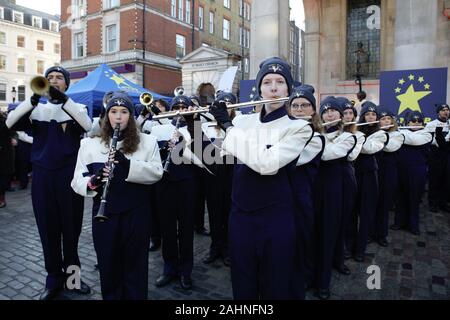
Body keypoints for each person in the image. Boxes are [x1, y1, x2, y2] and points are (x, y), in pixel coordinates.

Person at [209, 57, 314, 300]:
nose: (274, 88)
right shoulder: (243, 121)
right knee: (242, 281)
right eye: (267, 82)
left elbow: (267, 163)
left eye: (280, 82)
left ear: (288, 89)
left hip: (276, 217)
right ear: (260, 88)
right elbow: (220, 156)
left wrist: (228, 127)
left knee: (275, 284)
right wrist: (203, 123)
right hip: (241, 215)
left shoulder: (298, 127)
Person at [6, 66, 92, 299]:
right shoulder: (37, 111)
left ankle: (73, 280)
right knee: (48, 230)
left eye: (59, 78)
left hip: (69, 178)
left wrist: (64, 101)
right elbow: (10, 123)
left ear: (66, 84)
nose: (54, 81)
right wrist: (32, 99)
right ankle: (53, 280)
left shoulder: (77, 108)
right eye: (49, 78)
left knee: (71, 231)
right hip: (43, 178)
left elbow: (88, 126)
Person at [71, 93, 163, 300]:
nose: (118, 117)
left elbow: (157, 172)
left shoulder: (148, 142)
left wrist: (128, 165)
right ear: (107, 116)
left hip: (137, 213)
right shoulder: (89, 144)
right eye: (113, 112)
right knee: (108, 264)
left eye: (124, 112)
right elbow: (77, 178)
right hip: (104, 215)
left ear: (131, 116)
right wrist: (93, 181)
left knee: (136, 266)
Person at [152, 95, 210, 290]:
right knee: (167, 229)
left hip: (187, 184)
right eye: (176, 107)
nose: (179, 110)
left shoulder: (195, 129)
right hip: (164, 183)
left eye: (184, 107)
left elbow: (206, 156)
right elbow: (151, 154)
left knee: (186, 229)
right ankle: (169, 268)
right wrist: (164, 149)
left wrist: (185, 142)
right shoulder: (160, 128)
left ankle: (186, 270)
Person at [315, 96, 356, 300]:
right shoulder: (316, 133)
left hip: (337, 188)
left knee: (333, 229)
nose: (329, 114)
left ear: (340, 115)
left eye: (333, 111)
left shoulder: (347, 136)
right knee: (316, 232)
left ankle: (325, 280)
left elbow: (327, 154)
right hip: (316, 189)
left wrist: (313, 142)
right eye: (325, 111)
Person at [287, 85, 324, 297]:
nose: (299, 109)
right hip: (281, 194)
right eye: (295, 105)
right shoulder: (285, 130)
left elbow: (291, 160)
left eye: (305, 105)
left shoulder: (316, 138)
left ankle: (303, 278)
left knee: (301, 240)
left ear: (313, 110)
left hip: (301, 196)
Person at [201, 91, 238, 266]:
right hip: (213, 174)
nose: (226, 108)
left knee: (229, 213)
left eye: (229, 105)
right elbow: (202, 152)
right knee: (214, 214)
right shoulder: (207, 126)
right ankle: (215, 247)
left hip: (231, 174)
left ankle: (229, 248)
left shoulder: (237, 126)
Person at [352, 102, 387, 262]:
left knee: (366, 212)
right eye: (368, 114)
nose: (371, 117)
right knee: (351, 212)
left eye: (374, 115)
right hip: (354, 174)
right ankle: (349, 244)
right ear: (363, 116)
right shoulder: (355, 130)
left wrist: (355, 138)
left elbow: (369, 148)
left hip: (370, 176)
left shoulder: (381, 134)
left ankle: (360, 249)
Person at [392, 111, 432, 235]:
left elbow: (413, 140)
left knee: (414, 198)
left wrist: (397, 132)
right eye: (413, 121)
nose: (415, 123)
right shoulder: (401, 132)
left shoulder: (426, 134)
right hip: (401, 169)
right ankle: (399, 222)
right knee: (400, 197)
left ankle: (413, 225)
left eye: (418, 121)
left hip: (417, 171)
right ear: (407, 122)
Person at [374, 107, 404, 247]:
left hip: (389, 174)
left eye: (388, 119)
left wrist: (377, 135)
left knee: (384, 205)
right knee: (372, 203)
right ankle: (370, 232)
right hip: (375, 172)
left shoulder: (397, 135)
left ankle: (381, 234)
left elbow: (389, 147)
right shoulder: (375, 133)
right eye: (382, 119)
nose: (386, 121)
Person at [425, 103, 450, 213]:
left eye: (447, 110)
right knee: (434, 179)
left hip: (447, 155)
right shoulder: (431, 124)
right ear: (438, 112)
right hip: (435, 155)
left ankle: (443, 202)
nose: (445, 112)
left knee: (446, 179)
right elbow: (428, 139)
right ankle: (433, 203)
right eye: (443, 110)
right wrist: (443, 142)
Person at [0, 111, 15, 208]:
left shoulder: (5, 122)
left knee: (2, 177)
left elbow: (13, 133)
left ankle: (1, 198)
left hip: (4, 154)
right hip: (5, 153)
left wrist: (14, 138)